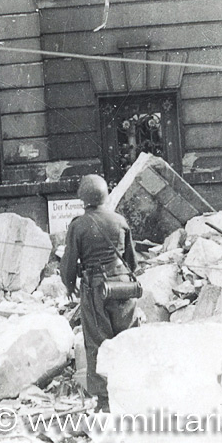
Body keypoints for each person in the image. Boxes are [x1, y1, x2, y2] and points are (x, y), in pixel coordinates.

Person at [60, 174, 139, 413]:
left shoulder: (78, 225)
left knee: (97, 341)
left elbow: (69, 262)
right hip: (123, 288)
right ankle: (130, 391)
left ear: (83, 199)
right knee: (127, 339)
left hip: (96, 288)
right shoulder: (119, 220)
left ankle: (104, 401)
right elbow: (132, 261)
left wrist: (69, 283)